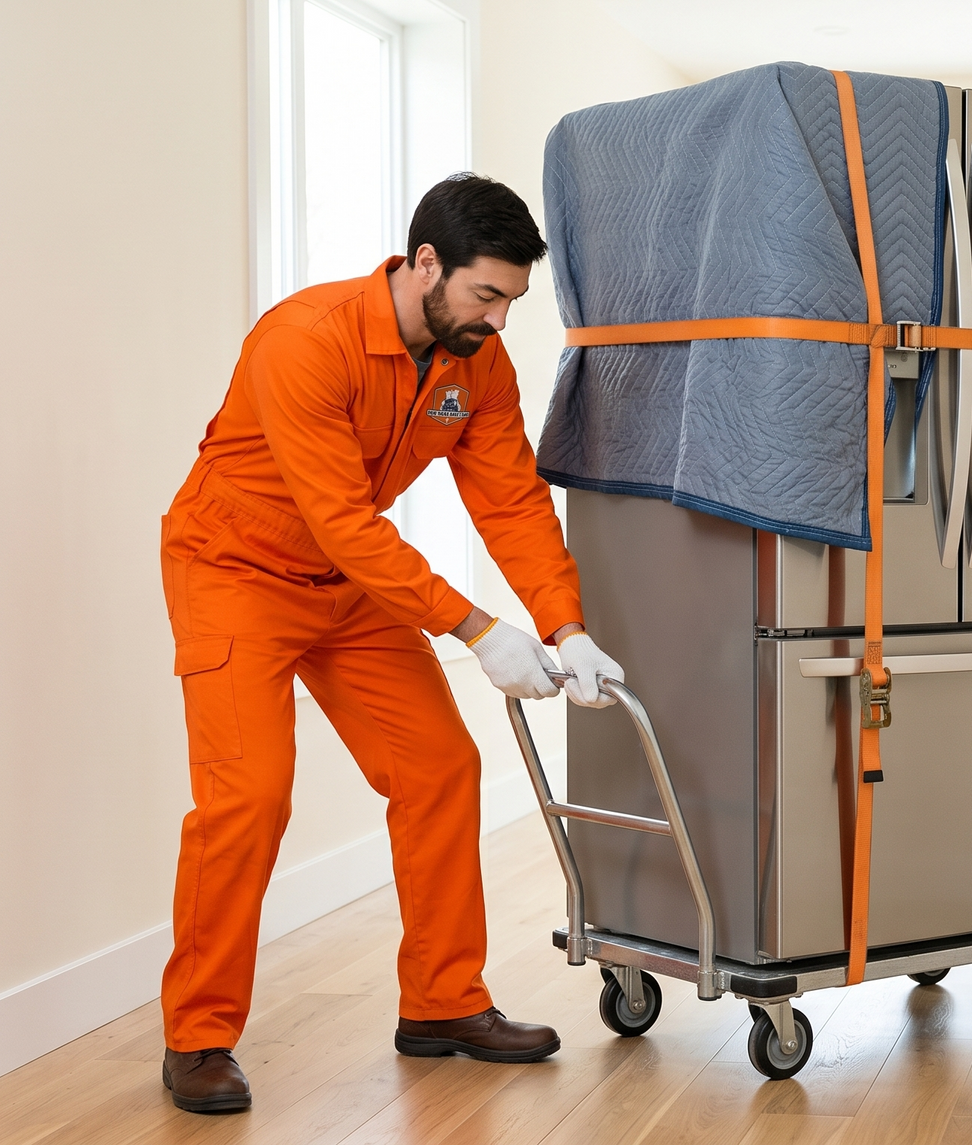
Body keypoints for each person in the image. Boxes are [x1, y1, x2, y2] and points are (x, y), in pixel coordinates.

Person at [156, 174, 622, 1112]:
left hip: (351, 583)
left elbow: (511, 500)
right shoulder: (305, 341)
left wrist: (566, 622)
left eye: (512, 302)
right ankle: (198, 1035)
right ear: (424, 264)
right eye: (485, 295)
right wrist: (477, 626)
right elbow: (338, 517)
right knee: (248, 795)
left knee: (442, 768)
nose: (498, 320)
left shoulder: (475, 364)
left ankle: (444, 1004)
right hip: (235, 571)